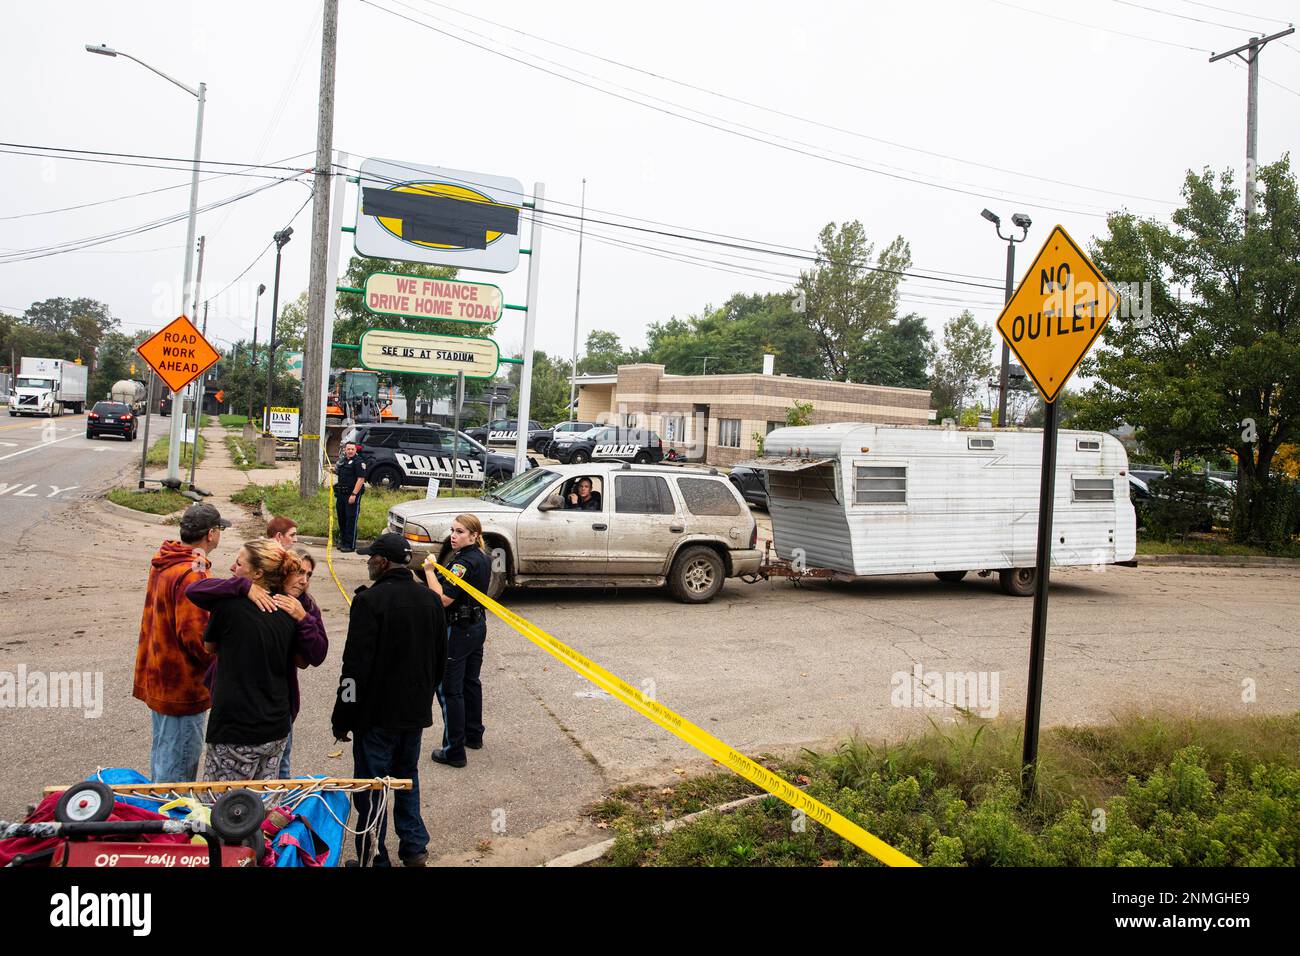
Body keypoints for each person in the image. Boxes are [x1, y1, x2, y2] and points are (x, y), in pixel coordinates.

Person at [332, 533, 446, 867]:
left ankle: (374, 856)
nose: (367, 562)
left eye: (370, 558)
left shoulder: (369, 602)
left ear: (382, 562)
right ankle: (414, 848)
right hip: (413, 714)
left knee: (372, 787)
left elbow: (353, 669)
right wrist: (423, 696)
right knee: (406, 778)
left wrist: (343, 716)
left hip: (376, 717)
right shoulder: (429, 601)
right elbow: (440, 659)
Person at [186, 546, 328, 780]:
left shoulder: (301, 609)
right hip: (275, 723)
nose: (303, 581)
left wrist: (304, 618)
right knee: (263, 802)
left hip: (239, 724)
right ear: (282, 573)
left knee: (224, 805)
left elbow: (313, 656)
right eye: (299, 572)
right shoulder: (281, 611)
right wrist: (243, 586)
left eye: (309, 575)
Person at [134, 502, 231, 784]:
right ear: (211, 534)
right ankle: (170, 824)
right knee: (177, 771)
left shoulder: (167, 559)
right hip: (182, 685)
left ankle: (159, 815)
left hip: (160, 674)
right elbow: (197, 635)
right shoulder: (193, 572)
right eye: (219, 529)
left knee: (164, 755)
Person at [422, 514, 492, 769]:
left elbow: (443, 599)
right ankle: (474, 735)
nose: (454, 535)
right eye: (452, 530)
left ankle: (454, 750)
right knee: (470, 682)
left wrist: (429, 571)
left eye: (460, 531)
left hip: (460, 630)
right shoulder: (482, 558)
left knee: (450, 689)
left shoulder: (463, 563)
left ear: (474, 535)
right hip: (476, 626)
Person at [334, 441, 367, 552]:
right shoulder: (344, 461)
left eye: (352, 449)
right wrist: (333, 471)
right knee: (342, 518)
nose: (350, 451)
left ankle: (350, 545)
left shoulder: (359, 462)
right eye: (348, 449)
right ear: (345, 450)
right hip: (341, 494)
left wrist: (354, 494)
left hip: (351, 495)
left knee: (350, 519)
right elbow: (342, 474)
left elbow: (361, 479)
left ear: (355, 450)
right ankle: (343, 541)